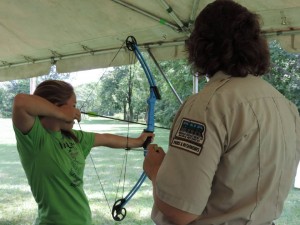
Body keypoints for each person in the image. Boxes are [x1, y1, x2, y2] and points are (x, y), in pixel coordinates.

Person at [143, 0, 300, 225]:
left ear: (200, 45)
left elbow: (180, 211)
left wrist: (155, 169)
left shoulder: (208, 105)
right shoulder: (286, 107)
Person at [12, 79, 154, 225]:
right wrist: (62, 113)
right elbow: (21, 102)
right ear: (55, 105)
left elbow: (105, 139)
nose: (77, 111)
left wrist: (138, 142)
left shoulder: (74, 137)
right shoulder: (35, 139)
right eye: (73, 105)